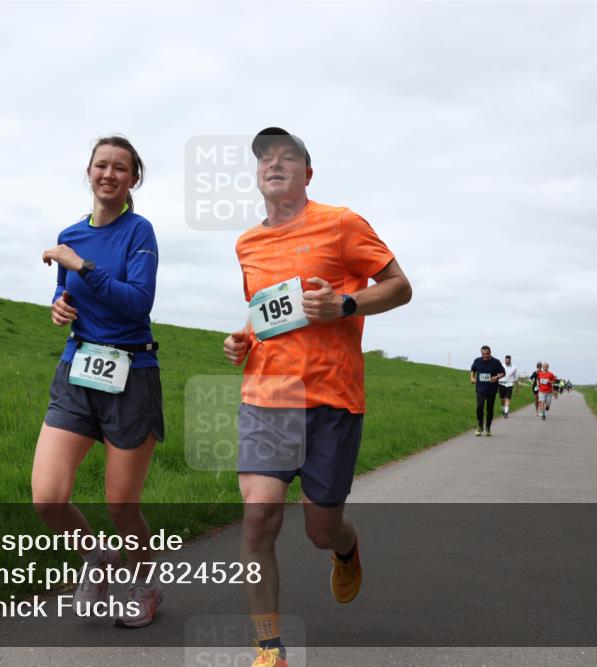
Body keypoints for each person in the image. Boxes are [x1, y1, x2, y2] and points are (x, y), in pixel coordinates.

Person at [223, 127, 411, 667]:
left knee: (319, 528)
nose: (274, 163)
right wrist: (243, 338)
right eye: (264, 158)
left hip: (332, 399)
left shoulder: (342, 224)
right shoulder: (247, 244)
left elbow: (400, 286)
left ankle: (346, 549)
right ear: (257, 176)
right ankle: (269, 649)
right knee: (258, 515)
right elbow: (265, 313)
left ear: (308, 173)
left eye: (288, 156)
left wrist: (346, 305)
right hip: (266, 396)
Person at [32, 135, 165, 628]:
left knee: (121, 504)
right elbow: (66, 297)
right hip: (78, 368)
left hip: (132, 372)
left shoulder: (140, 232)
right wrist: (59, 306)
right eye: (101, 165)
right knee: (48, 497)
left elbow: (138, 302)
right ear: (89, 171)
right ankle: (98, 558)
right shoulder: (71, 233)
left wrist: (81, 267)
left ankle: (146, 584)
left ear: (133, 179)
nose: (109, 174)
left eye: (121, 168)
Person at [470, 345, 505, 436]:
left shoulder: (496, 362)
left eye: (486, 354)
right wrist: (472, 378)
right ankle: (480, 426)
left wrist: (496, 377)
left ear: (490, 353)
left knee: (489, 409)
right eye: (483, 354)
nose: (485, 356)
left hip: (491, 390)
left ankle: (488, 427)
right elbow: (473, 369)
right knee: (479, 407)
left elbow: (503, 373)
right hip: (480, 389)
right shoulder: (477, 361)